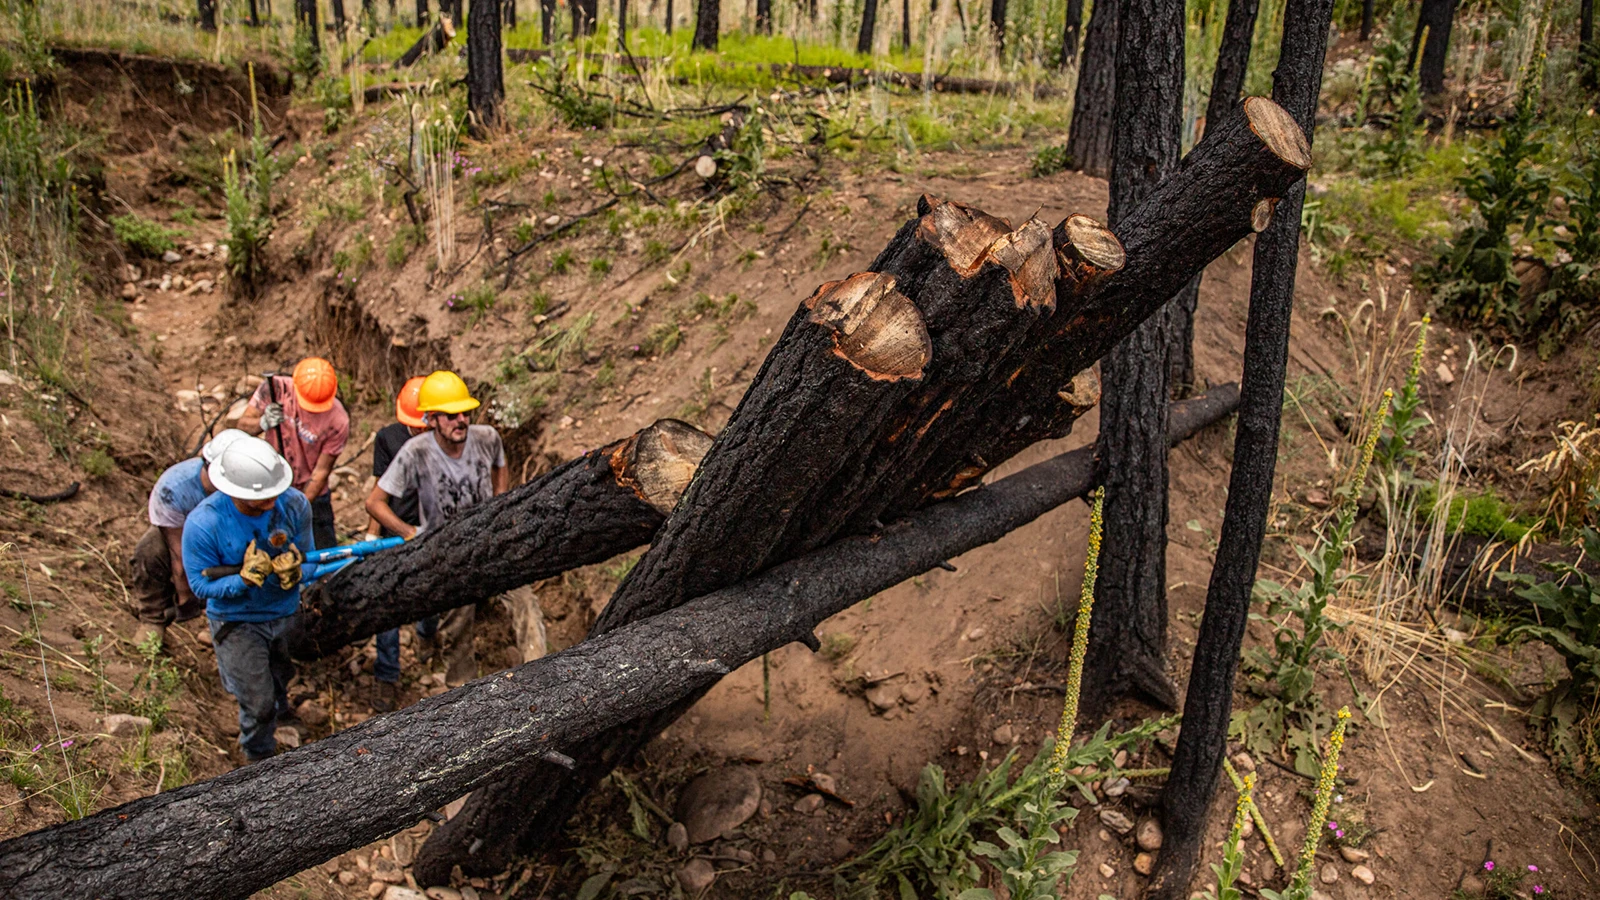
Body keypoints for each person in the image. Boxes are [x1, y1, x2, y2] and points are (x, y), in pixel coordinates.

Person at [365, 370, 546, 686]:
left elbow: (500, 464)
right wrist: (410, 533)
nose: (461, 420)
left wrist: (500, 503)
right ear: (431, 419)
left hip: (492, 541)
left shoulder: (487, 437)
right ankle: (459, 695)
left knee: (526, 605)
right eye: (450, 415)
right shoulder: (414, 452)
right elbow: (375, 503)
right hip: (449, 553)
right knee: (456, 625)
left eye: (465, 412)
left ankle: (541, 682)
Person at [183, 435, 314, 762]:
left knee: (281, 674)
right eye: (262, 497)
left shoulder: (295, 504)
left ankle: (281, 712)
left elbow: (311, 557)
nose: (273, 500)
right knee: (258, 703)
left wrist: (298, 573)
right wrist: (242, 581)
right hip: (238, 623)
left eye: (275, 492)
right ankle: (258, 757)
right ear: (234, 491)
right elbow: (200, 586)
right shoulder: (204, 524)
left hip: (283, 613)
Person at [128, 429, 251, 648]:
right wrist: (186, 598)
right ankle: (152, 618)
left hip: (234, 542)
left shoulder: (248, 485)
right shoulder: (174, 488)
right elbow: (179, 555)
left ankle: (229, 620)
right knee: (151, 550)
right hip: (189, 540)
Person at [365, 376, 428, 712]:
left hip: (433, 530)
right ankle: (387, 674)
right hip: (396, 529)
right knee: (386, 606)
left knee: (429, 597)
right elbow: (379, 490)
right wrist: (372, 534)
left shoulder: (446, 439)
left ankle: (426, 636)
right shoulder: (389, 438)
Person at [239, 357, 349, 549]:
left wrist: (299, 507)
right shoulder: (275, 390)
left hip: (310, 492)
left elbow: (320, 473)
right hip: (271, 485)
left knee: (324, 551)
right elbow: (242, 427)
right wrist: (262, 423)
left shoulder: (338, 420)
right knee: (268, 548)